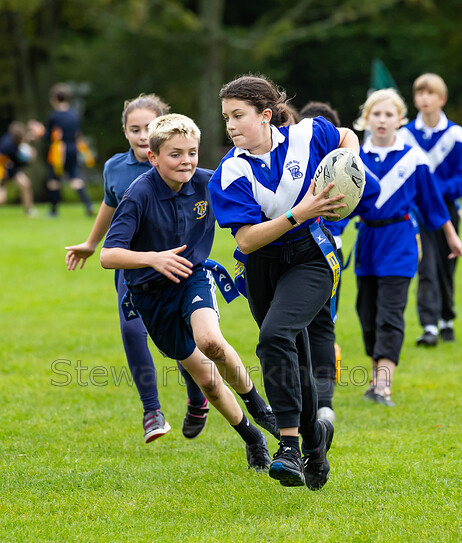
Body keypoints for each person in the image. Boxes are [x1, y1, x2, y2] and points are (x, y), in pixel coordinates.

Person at [209, 75, 364, 490]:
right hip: (261, 266)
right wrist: (301, 209)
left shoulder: (308, 134)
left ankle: (290, 448)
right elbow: (245, 239)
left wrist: (352, 170)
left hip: (312, 255)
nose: (231, 126)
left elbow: (347, 135)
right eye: (226, 118)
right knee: (293, 359)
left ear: (265, 115)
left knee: (274, 337)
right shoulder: (231, 171)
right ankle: (317, 444)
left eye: (238, 116)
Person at [98, 113, 278, 471]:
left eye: (192, 153)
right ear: (154, 157)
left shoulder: (209, 183)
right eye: (175, 154)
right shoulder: (139, 195)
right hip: (151, 297)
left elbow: (256, 196)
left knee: (211, 342)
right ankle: (252, 438)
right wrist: (152, 259)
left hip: (193, 277)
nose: (186, 162)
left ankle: (259, 407)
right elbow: (108, 255)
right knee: (207, 381)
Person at [65, 94, 211, 443]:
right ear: (125, 132)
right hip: (133, 268)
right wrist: (91, 242)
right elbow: (110, 205)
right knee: (132, 332)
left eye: (148, 127)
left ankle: (197, 400)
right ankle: (152, 412)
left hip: (177, 267)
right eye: (134, 129)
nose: (143, 134)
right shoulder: (115, 167)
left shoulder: (177, 162)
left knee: (183, 339)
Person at [353, 89, 462, 407]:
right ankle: (376, 378)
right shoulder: (356, 159)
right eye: (377, 114)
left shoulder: (413, 158)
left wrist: (452, 236)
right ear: (366, 119)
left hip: (400, 242)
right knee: (367, 314)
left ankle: (384, 385)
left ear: (401, 120)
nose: (383, 120)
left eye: (389, 114)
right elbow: (342, 207)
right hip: (368, 244)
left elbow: (432, 205)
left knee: (391, 313)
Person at [397, 74, 462, 347]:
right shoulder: (405, 134)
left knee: (446, 266)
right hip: (416, 213)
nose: (424, 98)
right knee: (426, 266)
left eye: (430, 93)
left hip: (446, 211)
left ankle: (446, 320)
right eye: (419, 93)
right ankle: (429, 326)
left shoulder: (456, 135)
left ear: (442, 99)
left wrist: (434, 191)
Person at [299, 100, 345, 423]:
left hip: (325, 251)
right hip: (299, 249)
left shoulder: (338, 166)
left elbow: (368, 195)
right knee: (305, 326)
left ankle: (322, 400)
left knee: (318, 324)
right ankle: (313, 398)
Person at [44, 83, 94, 217]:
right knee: (75, 178)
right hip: (73, 148)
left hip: (59, 151)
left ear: (54, 98)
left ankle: (53, 211)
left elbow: (49, 135)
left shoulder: (54, 115)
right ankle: (88, 204)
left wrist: (39, 132)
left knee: (54, 180)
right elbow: (77, 133)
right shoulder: (74, 114)